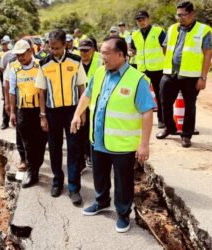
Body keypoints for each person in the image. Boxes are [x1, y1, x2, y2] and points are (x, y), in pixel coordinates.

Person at [71, 36, 155, 233]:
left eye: (107, 53)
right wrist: (77, 114)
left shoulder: (137, 79)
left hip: (123, 144)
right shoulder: (100, 72)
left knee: (123, 182)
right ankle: (101, 202)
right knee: (99, 176)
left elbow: (147, 112)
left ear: (121, 55)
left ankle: (123, 214)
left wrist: (144, 144)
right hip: (98, 138)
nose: (102, 56)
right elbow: (87, 94)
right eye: (102, 52)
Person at [35, 29, 87, 205]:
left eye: (57, 48)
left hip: (72, 111)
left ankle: (74, 188)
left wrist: (82, 112)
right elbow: (41, 92)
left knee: (74, 149)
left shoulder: (76, 61)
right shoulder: (44, 64)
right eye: (51, 48)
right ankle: (57, 182)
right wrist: (42, 116)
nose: (54, 51)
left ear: (65, 45)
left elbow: (82, 88)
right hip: (52, 112)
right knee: (55, 148)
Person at [156, 1, 212, 147]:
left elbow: (207, 54)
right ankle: (170, 128)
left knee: (189, 106)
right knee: (164, 102)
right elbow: (165, 48)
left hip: (191, 76)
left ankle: (186, 135)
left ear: (192, 14)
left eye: (183, 15)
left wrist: (203, 77)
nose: (179, 18)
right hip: (170, 73)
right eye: (178, 14)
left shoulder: (203, 30)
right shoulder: (172, 28)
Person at [9, 40, 47, 188]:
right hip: (23, 110)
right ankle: (32, 172)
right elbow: (12, 91)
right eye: (17, 55)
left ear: (30, 51)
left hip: (40, 110)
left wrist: (44, 114)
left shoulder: (40, 65)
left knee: (41, 141)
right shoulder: (14, 68)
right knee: (28, 143)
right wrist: (12, 112)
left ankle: (36, 165)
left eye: (22, 54)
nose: (20, 58)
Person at [131, 10, 166, 128]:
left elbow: (166, 48)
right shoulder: (135, 35)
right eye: (139, 20)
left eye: (143, 19)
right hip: (142, 69)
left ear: (148, 19)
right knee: (140, 94)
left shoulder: (158, 31)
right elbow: (133, 50)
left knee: (160, 94)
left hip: (158, 68)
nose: (141, 22)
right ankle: (140, 118)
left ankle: (162, 120)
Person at [78, 38, 103, 169]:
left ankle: (93, 155)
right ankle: (84, 156)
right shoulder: (76, 62)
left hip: (95, 102)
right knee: (81, 130)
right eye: (81, 51)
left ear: (93, 50)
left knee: (93, 129)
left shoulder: (100, 62)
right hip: (80, 102)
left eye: (87, 51)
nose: (84, 53)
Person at [0, 37, 12, 130]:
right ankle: (5, 122)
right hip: (7, 81)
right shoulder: (6, 55)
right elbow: (2, 68)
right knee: (6, 102)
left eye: (7, 43)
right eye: (4, 44)